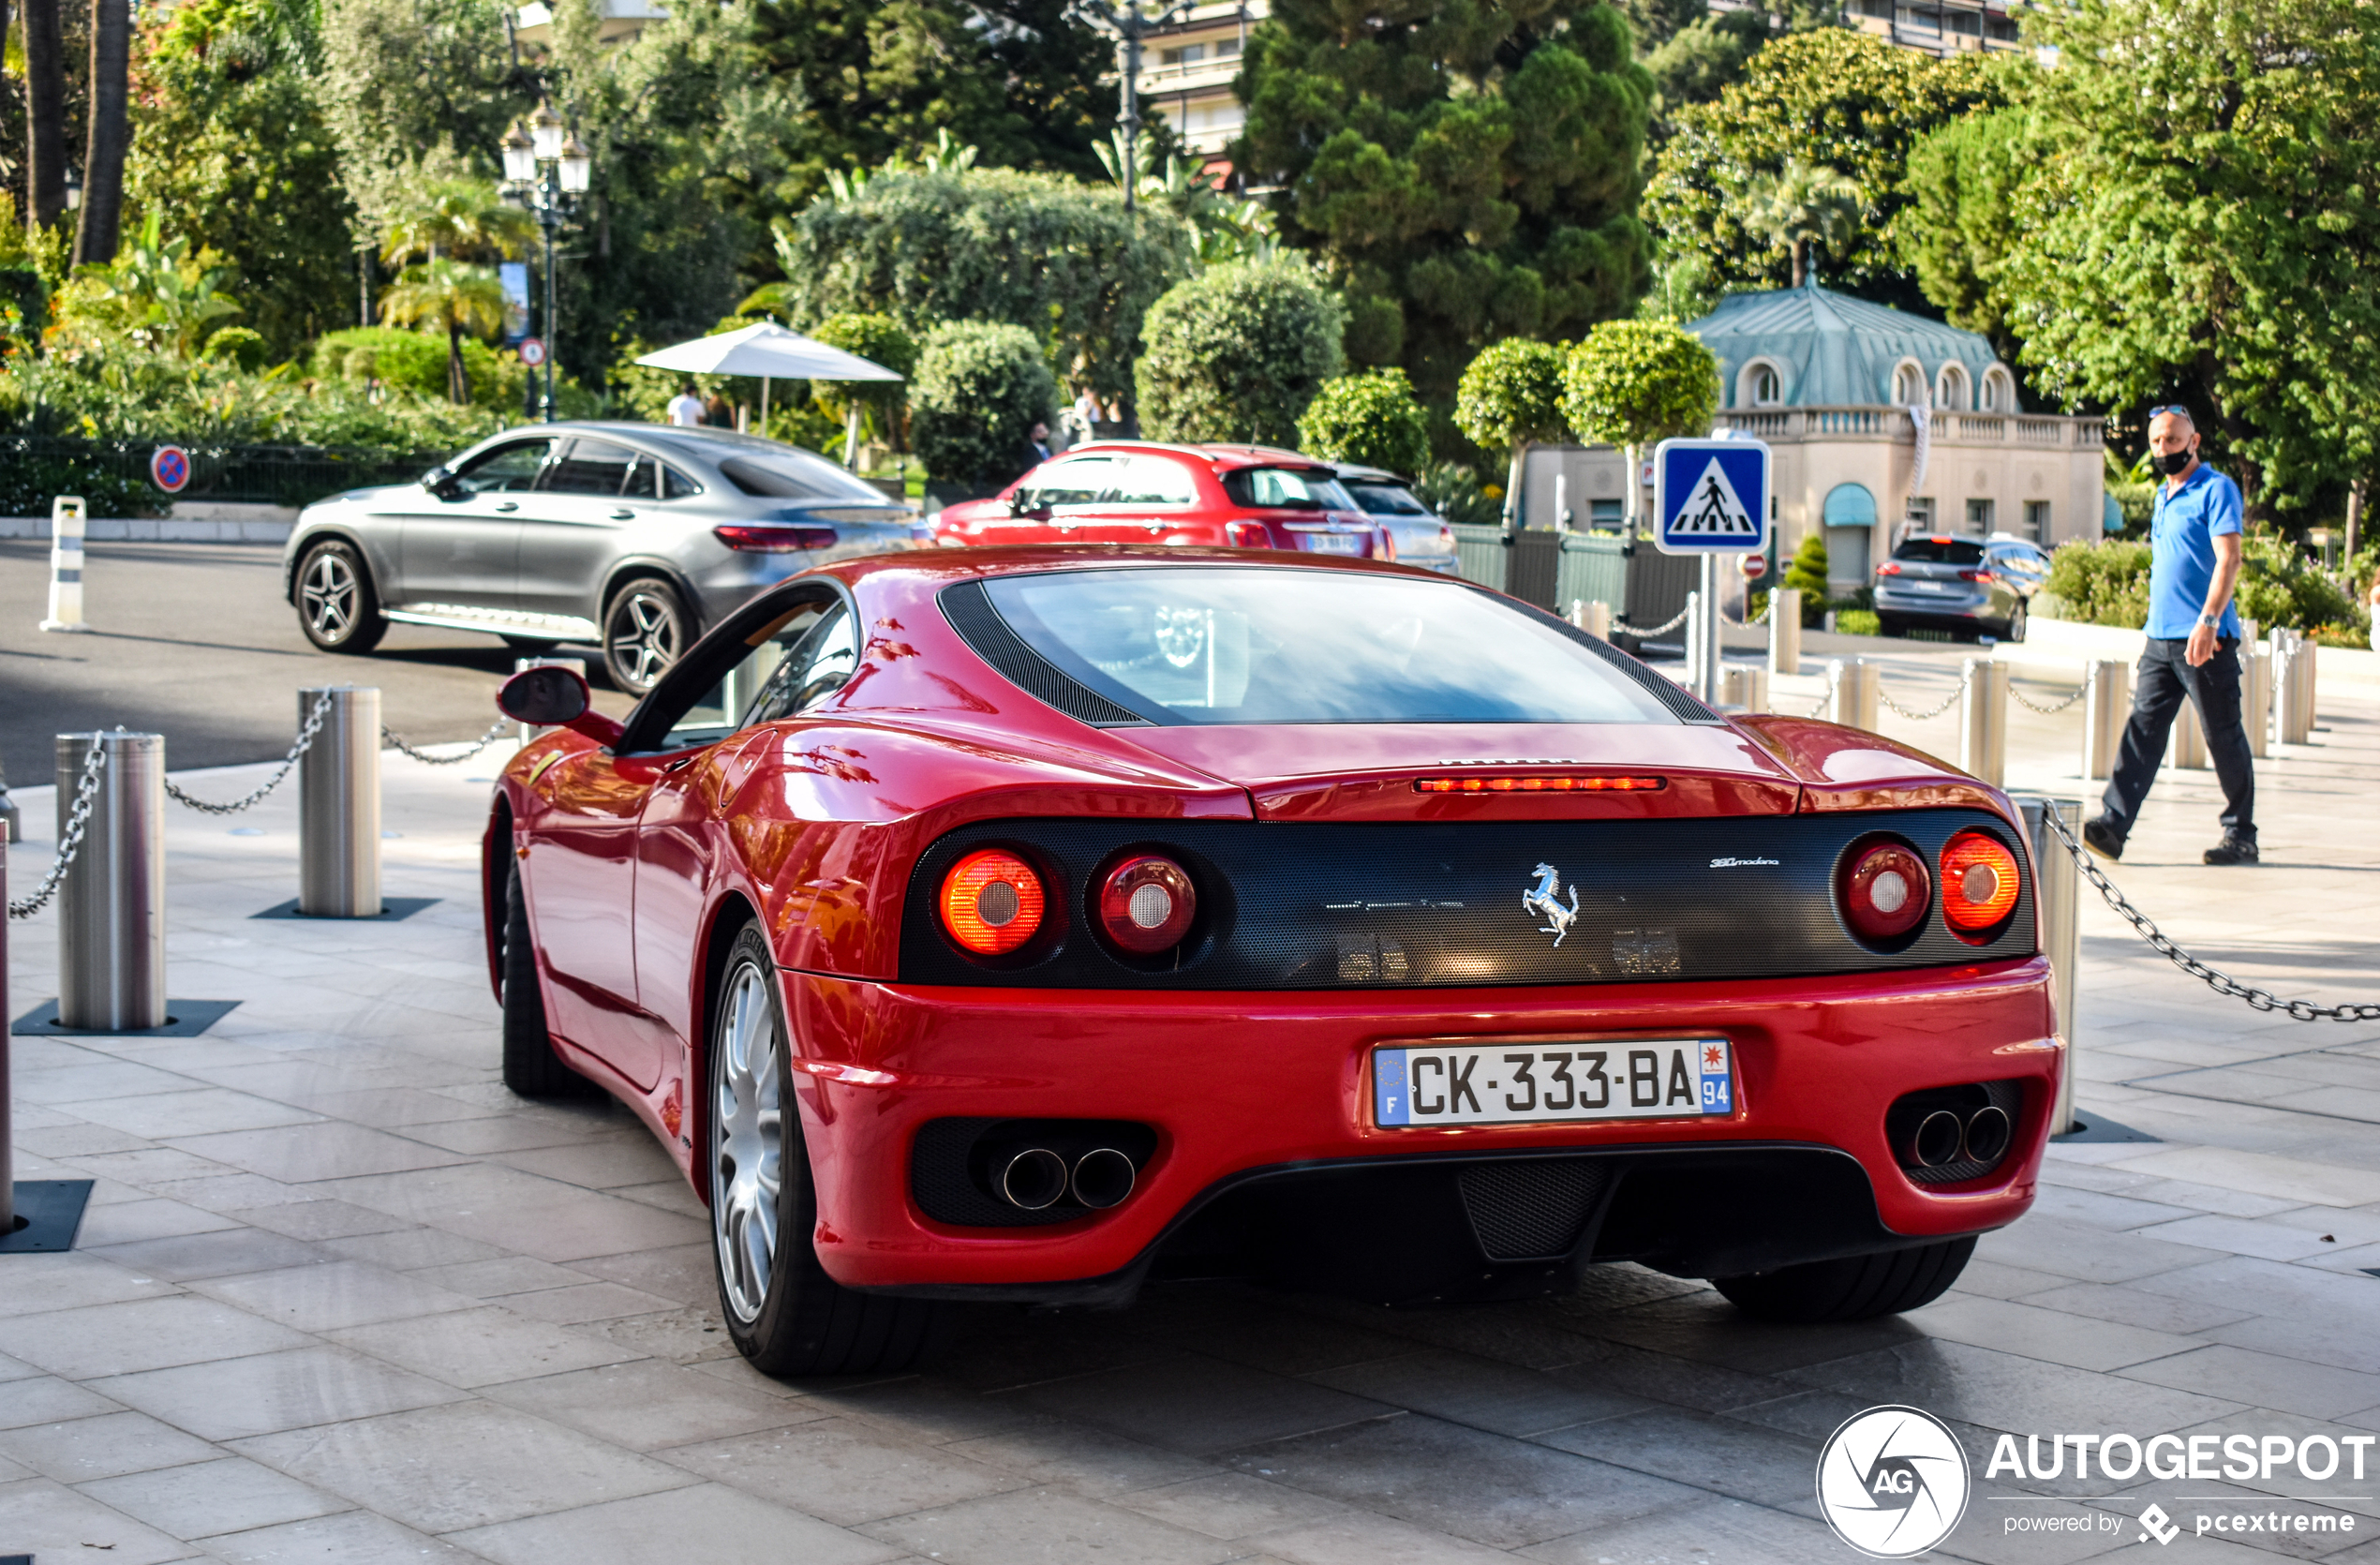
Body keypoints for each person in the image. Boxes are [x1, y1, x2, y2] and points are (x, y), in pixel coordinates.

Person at [2081, 406, 2257, 866]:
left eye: (2173, 441)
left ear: (2193, 441)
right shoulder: (2163, 494)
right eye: (2157, 441)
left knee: (2222, 735)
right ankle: (2113, 825)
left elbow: (2229, 558)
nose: (2164, 449)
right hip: (2160, 638)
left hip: (2205, 638)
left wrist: (2210, 620)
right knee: (2143, 730)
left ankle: (2241, 834)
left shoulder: (2216, 489)